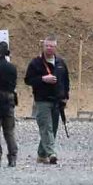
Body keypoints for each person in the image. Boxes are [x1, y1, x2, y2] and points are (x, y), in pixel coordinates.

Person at [24, 36, 70, 164]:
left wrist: (66, 96)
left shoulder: (61, 62)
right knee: (46, 127)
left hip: (57, 100)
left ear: (55, 47)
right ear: (43, 46)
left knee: (53, 128)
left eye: (51, 46)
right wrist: (43, 79)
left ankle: (42, 154)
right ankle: (51, 153)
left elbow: (66, 81)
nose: (49, 48)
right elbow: (28, 80)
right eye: (47, 45)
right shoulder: (35, 63)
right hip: (42, 100)